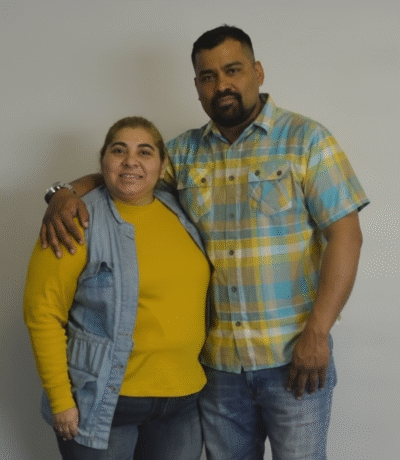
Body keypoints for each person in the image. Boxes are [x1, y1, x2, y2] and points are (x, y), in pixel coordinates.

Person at [39, 26, 370, 460]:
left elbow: (346, 235)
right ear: (197, 86)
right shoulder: (183, 153)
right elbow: (128, 175)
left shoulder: (306, 140)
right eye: (208, 76)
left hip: (293, 357)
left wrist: (319, 332)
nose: (222, 84)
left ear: (257, 72)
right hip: (218, 370)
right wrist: (65, 192)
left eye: (233, 70)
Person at [24, 116, 211, 460]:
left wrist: (63, 188)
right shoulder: (73, 220)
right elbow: (43, 313)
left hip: (182, 402)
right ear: (103, 160)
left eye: (145, 152)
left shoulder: (180, 210)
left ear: (162, 165)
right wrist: (60, 400)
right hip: (103, 402)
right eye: (119, 150)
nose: (131, 161)